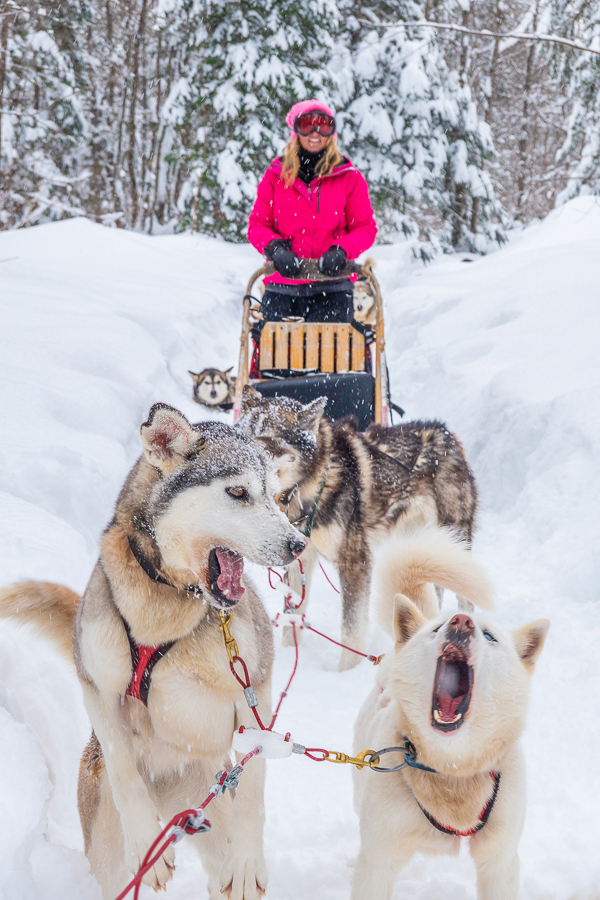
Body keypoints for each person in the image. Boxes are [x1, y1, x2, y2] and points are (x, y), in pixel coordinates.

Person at [247, 99, 377, 333]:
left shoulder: (349, 178)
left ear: (332, 132)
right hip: (283, 286)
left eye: (323, 125)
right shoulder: (276, 176)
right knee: (277, 358)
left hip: (333, 286)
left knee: (332, 358)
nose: (315, 133)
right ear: (295, 130)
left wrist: (341, 250)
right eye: (307, 124)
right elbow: (258, 225)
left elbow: (365, 227)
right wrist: (275, 249)